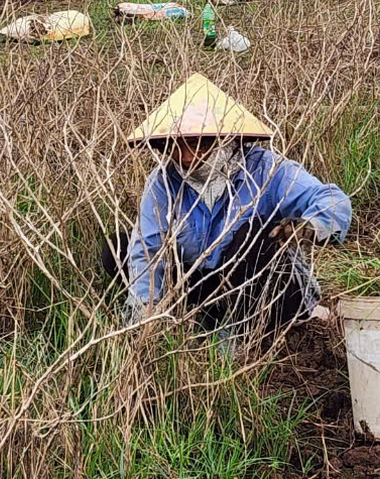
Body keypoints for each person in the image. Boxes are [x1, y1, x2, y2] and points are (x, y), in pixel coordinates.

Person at [103, 73, 351, 341]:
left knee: (253, 234)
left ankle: (250, 331)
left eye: (200, 143)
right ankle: (197, 318)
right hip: (206, 286)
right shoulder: (164, 182)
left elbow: (333, 200)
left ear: (225, 138)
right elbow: (148, 250)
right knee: (117, 249)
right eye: (176, 146)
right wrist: (143, 313)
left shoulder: (266, 168)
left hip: (263, 286)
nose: (187, 158)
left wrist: (308, 227)